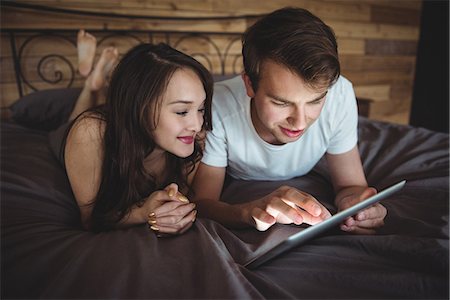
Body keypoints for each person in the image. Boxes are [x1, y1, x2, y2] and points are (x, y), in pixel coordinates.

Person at [192, 7, 387, 234]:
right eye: (281, 103)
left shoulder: (340, 94)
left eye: (315, 101)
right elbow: (203, 203)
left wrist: (357, 209)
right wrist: (248, 212)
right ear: (249, 85)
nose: (300, 123)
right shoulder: (218, 105)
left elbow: (350, 186)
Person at [51, 30, 213, 234]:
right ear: (139, 107)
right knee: (75, 118)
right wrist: (142, 212)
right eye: (181, 111)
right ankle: (90, 85)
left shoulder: (195, 137)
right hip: (69, 134)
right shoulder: (90, 133)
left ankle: (95, 84)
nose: (197, 125)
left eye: (200, 109)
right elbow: (90, 220)